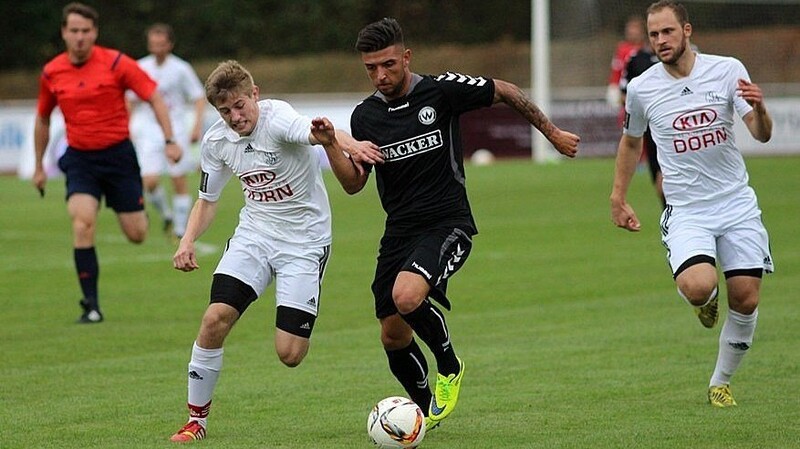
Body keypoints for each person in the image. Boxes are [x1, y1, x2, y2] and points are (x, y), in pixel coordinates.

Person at [347, 18, 580, 429]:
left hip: (447, 223)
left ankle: (450, 365)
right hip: (399, 231)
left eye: (388, 64)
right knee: (392, 335)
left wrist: (552, 133)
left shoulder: (440, 91)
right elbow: (354, 185)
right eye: (371, 68)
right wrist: (334, 144)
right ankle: (422, 413)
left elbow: (505, 90)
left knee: (406, 296)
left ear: (406, 57)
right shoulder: (364, 117)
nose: (380, 75)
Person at [168, 60, 378, 442]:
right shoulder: (216, 141)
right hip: (255, 237)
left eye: (239, 106)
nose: (234, 117)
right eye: (224, 110)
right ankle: (195, 421)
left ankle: (301, 302)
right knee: (215, 318)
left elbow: (320, 134)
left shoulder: (278, 118)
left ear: (255, 95)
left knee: (290, 353)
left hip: (304, 243)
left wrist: (350, 143)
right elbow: (207, 200)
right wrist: (187, 240)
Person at [610, 0, 774, 408]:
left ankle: (721, 382)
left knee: (746, 297)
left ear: (687, 30)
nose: (660, 41)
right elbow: (631, 141)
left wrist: (761, 110)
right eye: (653, 34)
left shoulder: (727, 70)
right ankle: (703, 301)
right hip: (687, 209)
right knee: (699, 287)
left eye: (667, 32)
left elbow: (761, 133)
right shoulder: (643, 88)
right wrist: (618, 196)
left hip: (736, 204)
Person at [33, 2, 182, 324]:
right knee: (82, 223)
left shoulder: (117, 62)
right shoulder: (52, 72)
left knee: (137, 234)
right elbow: (43, 118)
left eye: (86, 31)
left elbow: (154, 97)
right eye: (74, 31)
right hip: (80, 159)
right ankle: (92, 306)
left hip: (118, 157)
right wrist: (39, 165)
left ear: (95, 33)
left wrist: (170, 140)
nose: (80, 37)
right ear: (64, 33)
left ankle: (140, 207)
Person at [129, 23, 206, 240]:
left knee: (177, 178)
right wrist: (127, 124)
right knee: (149, 181)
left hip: (176, 129)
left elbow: (198, 97)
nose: (157, 49)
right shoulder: (140, 67)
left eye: (161, 44)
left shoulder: (181, 68)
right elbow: (129, 98)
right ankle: (166, 214)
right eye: (153, 44)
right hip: (149, 130)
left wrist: (196, 126)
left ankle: (181, 230)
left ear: (170, 45)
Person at [619, 38, 665, 208]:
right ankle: (673, 224)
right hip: (653, 134)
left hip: (687, 131)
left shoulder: (689, 57)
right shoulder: (636, 60)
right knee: (662, 186)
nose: (661, 38)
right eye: (655, 33)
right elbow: (623, 95)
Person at [606, 15, 646, 109]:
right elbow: (616, 70)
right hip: (625, 93)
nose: (631, 31)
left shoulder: (647, 49)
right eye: (630, 28)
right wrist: (614, 86)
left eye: (635, 28)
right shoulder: (622, 49)